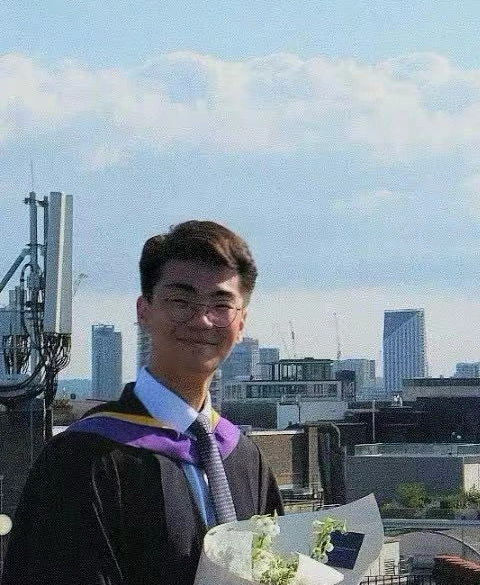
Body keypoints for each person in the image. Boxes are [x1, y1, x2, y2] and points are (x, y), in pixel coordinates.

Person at [1, 220, 284, 585]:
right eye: (181, 300)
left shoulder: (244, 459)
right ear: (144, 311)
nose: (201, 319)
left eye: (221, 304)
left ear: (241, 321)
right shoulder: (82, 458)